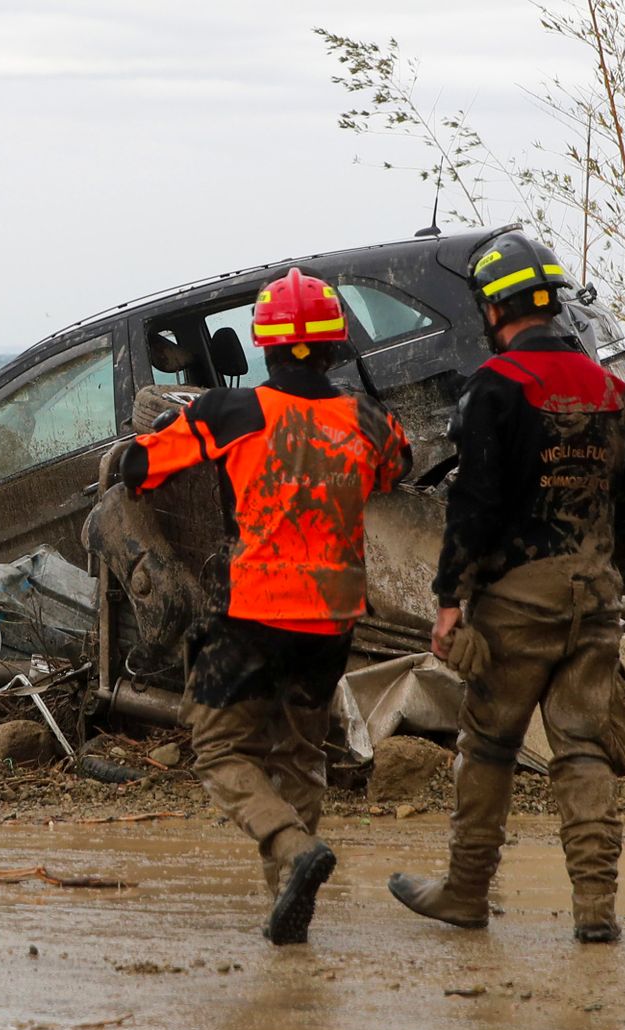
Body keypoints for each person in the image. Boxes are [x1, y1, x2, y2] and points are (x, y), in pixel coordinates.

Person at [115, 268, 409, 945]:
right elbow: (397, 467)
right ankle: (286, 901)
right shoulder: (369, 420)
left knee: (218, 745)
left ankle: (290, 848)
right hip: (333, 618)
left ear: (264, 348)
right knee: (301, 753)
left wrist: (168, 427)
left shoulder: (233, 412)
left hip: (259, 610)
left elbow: (141, 469)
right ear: (335, 349)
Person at [387, 232, 625, 944]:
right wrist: (606, 578)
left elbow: (473, 505)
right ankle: (596, 910)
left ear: (494, 307)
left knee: (490, 745)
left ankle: (467, 894)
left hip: (515, 604)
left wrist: (451, 601)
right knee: (584, 751)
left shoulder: (494, 389)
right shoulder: (614, 392)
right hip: (595, 597)